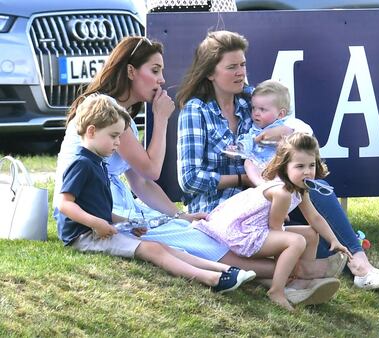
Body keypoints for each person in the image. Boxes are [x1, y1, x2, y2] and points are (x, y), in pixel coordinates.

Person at [53, 36, 343, 305]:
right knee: (193, 239)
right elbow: (152, 172)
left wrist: (178, 213)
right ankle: (291, 275)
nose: (162, 80)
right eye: (154, 71)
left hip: (117, 203)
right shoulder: (104, 110)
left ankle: (300, 271)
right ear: (130, 71)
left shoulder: (117, 115)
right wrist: (162, 118)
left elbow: (141, 182)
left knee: (185, 227)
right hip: (98, 207)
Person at [176, 30, 379, 303]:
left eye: (242, 64)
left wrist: (283, 134)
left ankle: (364, 267)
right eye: (232, 67)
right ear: (210, 73)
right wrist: (246, 179)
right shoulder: (196, 110)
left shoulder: (251, 100)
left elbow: (304, 134)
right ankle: (343, 273)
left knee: (315, 191)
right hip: (228, 211)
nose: (241, 72)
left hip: (268, 199)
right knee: (318, 238)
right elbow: (190, 179)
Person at [56, 94, 257, 293]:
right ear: (91, 131)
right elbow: (64, 203)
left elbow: (98, 207)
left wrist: (124, 222)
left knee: (162, 246)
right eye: (113, 136)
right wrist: (95, 223)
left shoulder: (98, 163)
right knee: (153, 249)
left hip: (96, 228)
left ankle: (227, 270)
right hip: (84, 236)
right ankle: (214, 280)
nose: (118, 143)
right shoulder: (81, 164)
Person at [194, 133, 351, 310]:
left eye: (311, 165)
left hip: (258, 230)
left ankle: (301, 281)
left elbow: (314, 218)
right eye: (300, 166)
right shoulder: (282, 192)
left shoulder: (300, 189)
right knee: (297, 241)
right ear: (285, 167)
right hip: (242, 234)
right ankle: (278, 289)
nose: (307, 171)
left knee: (311, 233)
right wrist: (285, 265)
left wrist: (334, 240)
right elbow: (276, 229)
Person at [229, 79, 313, 186]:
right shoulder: (255, 128)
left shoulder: (288, 122)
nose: (256, 113)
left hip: (281, 163)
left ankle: (284, 182)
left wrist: (289, 131)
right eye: (254, 108)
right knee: (248, 162)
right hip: (261, 165)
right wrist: (239, 148)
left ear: (281, 113)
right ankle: (260, 184)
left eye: (262, 109)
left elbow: (306, 131)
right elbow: (249, 140)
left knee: (295, 160)